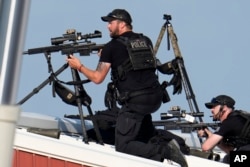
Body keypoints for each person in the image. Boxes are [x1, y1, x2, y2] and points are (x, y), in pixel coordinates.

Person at [67, 8, 188, 166]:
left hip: (136, 102)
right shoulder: (145, 40)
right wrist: (107, 56)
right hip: (155, 97)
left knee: (123, 146)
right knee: (144, 136)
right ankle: (163, 149)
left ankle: (166, 150)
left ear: (122, 24)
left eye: (111, 23)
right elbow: (131, 61)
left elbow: (97, 78)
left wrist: (79, 66)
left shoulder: (112, 47)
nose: (108, 26)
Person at [197, 95, 250, 163]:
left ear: (224, 107)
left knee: (227, 159)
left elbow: (206, 147)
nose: (211, 110)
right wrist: (210, 136)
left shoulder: (229, 122)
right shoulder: (238, 118)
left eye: (214, 106)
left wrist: (210, 137)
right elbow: (230, 151)